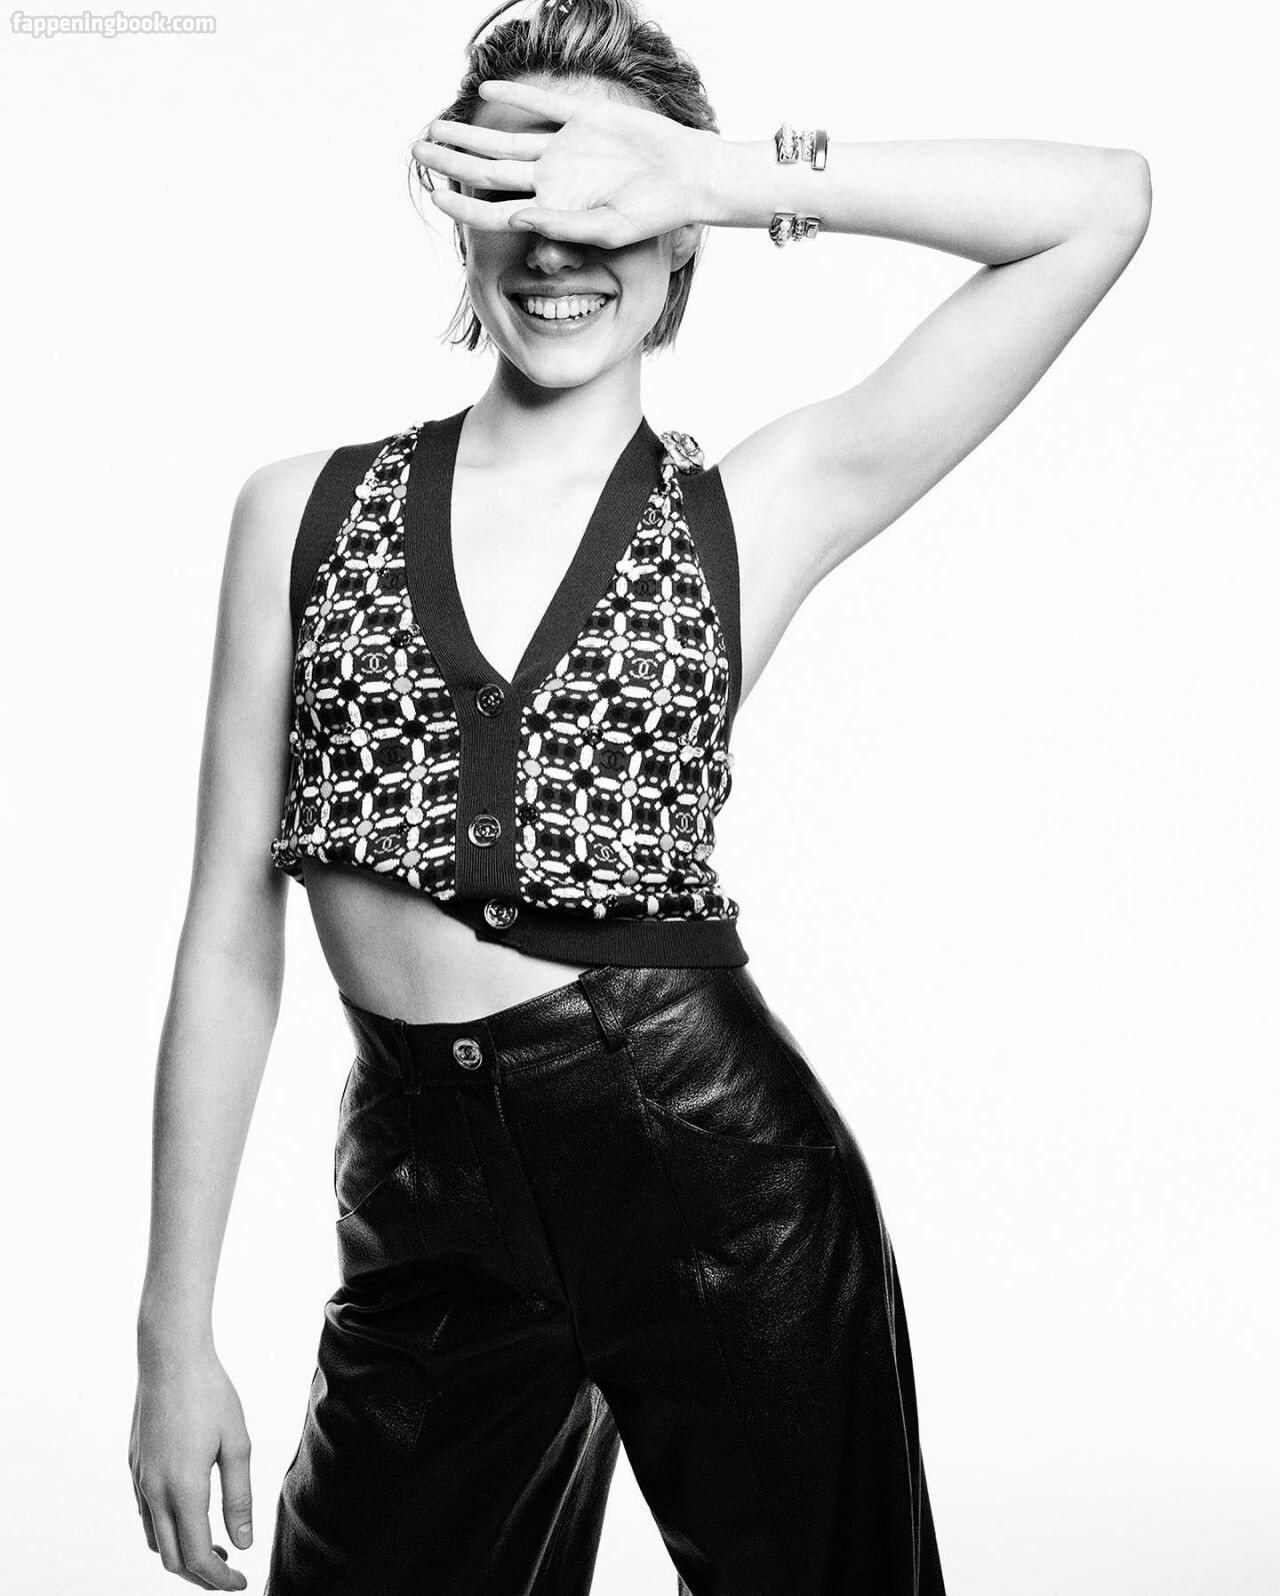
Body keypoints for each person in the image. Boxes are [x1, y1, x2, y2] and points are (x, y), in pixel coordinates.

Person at [128, 0, 1151, 1591]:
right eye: (516, 191)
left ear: (679, 241)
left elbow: (1100, 206)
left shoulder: (755, 510)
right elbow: (226, 935)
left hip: (716, 1181)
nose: (560, 243)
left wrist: (710, 172)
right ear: (460, 216)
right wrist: (171, 1333)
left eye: (601, 199)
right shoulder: (301, 515)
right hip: (424, 1206)